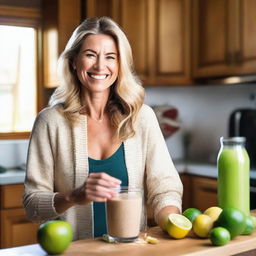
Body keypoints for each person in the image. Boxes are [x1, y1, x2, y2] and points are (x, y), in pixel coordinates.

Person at [23, 16, 183, 240]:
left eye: (110, 57)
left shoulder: (141, 117)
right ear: (73, 61)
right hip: (74, 253)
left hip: (129, 251)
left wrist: (173, 223)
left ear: (119, 65)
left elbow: (165, 189)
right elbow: (32, 206)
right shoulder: (50, 122)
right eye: (90, 55)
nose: (100, 66)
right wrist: (75, 196)